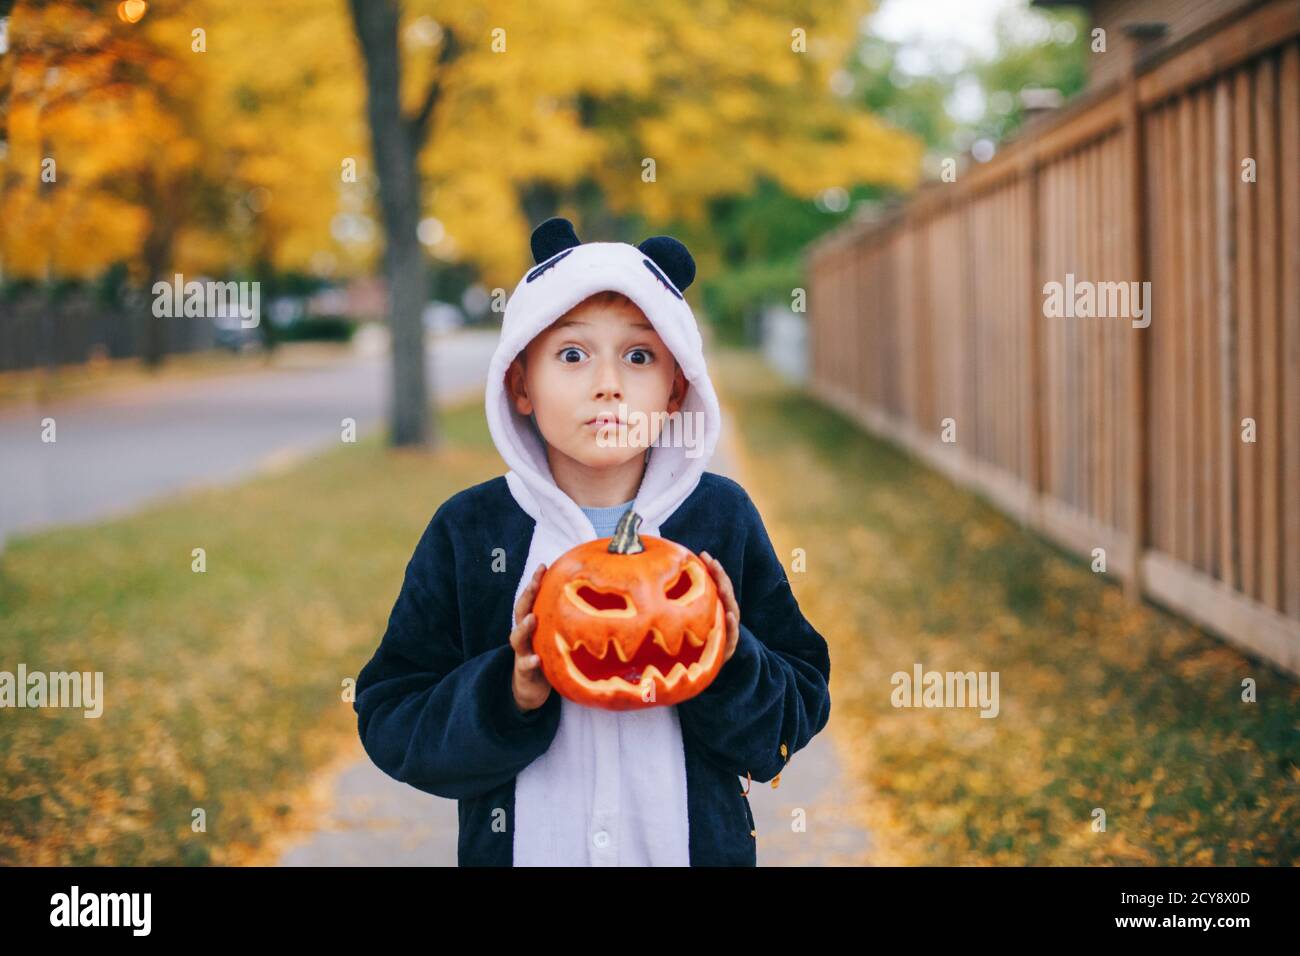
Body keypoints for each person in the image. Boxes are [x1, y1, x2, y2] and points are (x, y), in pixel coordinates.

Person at [353, 216, 831, 866]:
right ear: (521, 383)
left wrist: (727, 659)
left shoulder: (720, 519)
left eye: (639, 356)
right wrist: (507, 695)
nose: (608, 383)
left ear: (674, 389)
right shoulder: (469, 533)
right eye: (572, 355)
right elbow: (391, 718)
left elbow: (794, 714)